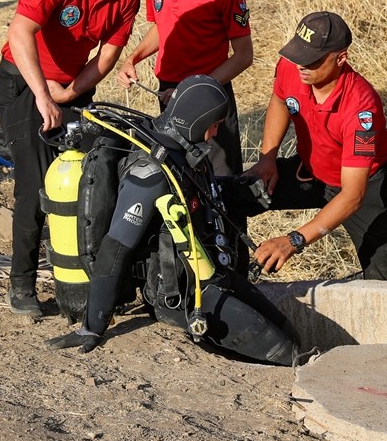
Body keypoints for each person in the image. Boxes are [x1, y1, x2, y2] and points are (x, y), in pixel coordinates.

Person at [46, 76, 297, 364]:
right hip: (178, 295)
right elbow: (115, 249)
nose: (216, 132)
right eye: (214, 124)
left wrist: (243, 191)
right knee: (285, 351)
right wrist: (93, 326)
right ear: (195, 120)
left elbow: (198, 195)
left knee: (288, 331)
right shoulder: (151, 173)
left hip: (209, 275)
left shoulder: (183, 151)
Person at [0, 0, 158, 319]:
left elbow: (107, 56)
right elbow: (20, 32)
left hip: (71, 89)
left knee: (92, 179)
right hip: (24, 85)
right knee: (36, 184)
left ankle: (88, 280)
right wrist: (43, 95)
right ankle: (22, 283)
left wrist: (69, 93)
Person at [232, 11, 387, 281]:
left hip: (363, 186)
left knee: (383, 277)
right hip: (310, 171)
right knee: (230, 195)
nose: (302, 65)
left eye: (312, 59)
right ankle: (231, 275)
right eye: (298, 54)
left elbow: (352, 195)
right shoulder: (292, 67)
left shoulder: (361, 109)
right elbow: (280, 99)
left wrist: (293, 240)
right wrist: (267, 158)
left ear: (340, 58)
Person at [117, 0, 253, 176]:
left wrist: (194, 91)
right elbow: (163, 26)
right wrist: (133, 58)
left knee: (222, 179)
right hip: (168, 93)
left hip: (211, 93)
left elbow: (243, 56)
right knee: (179, 175)